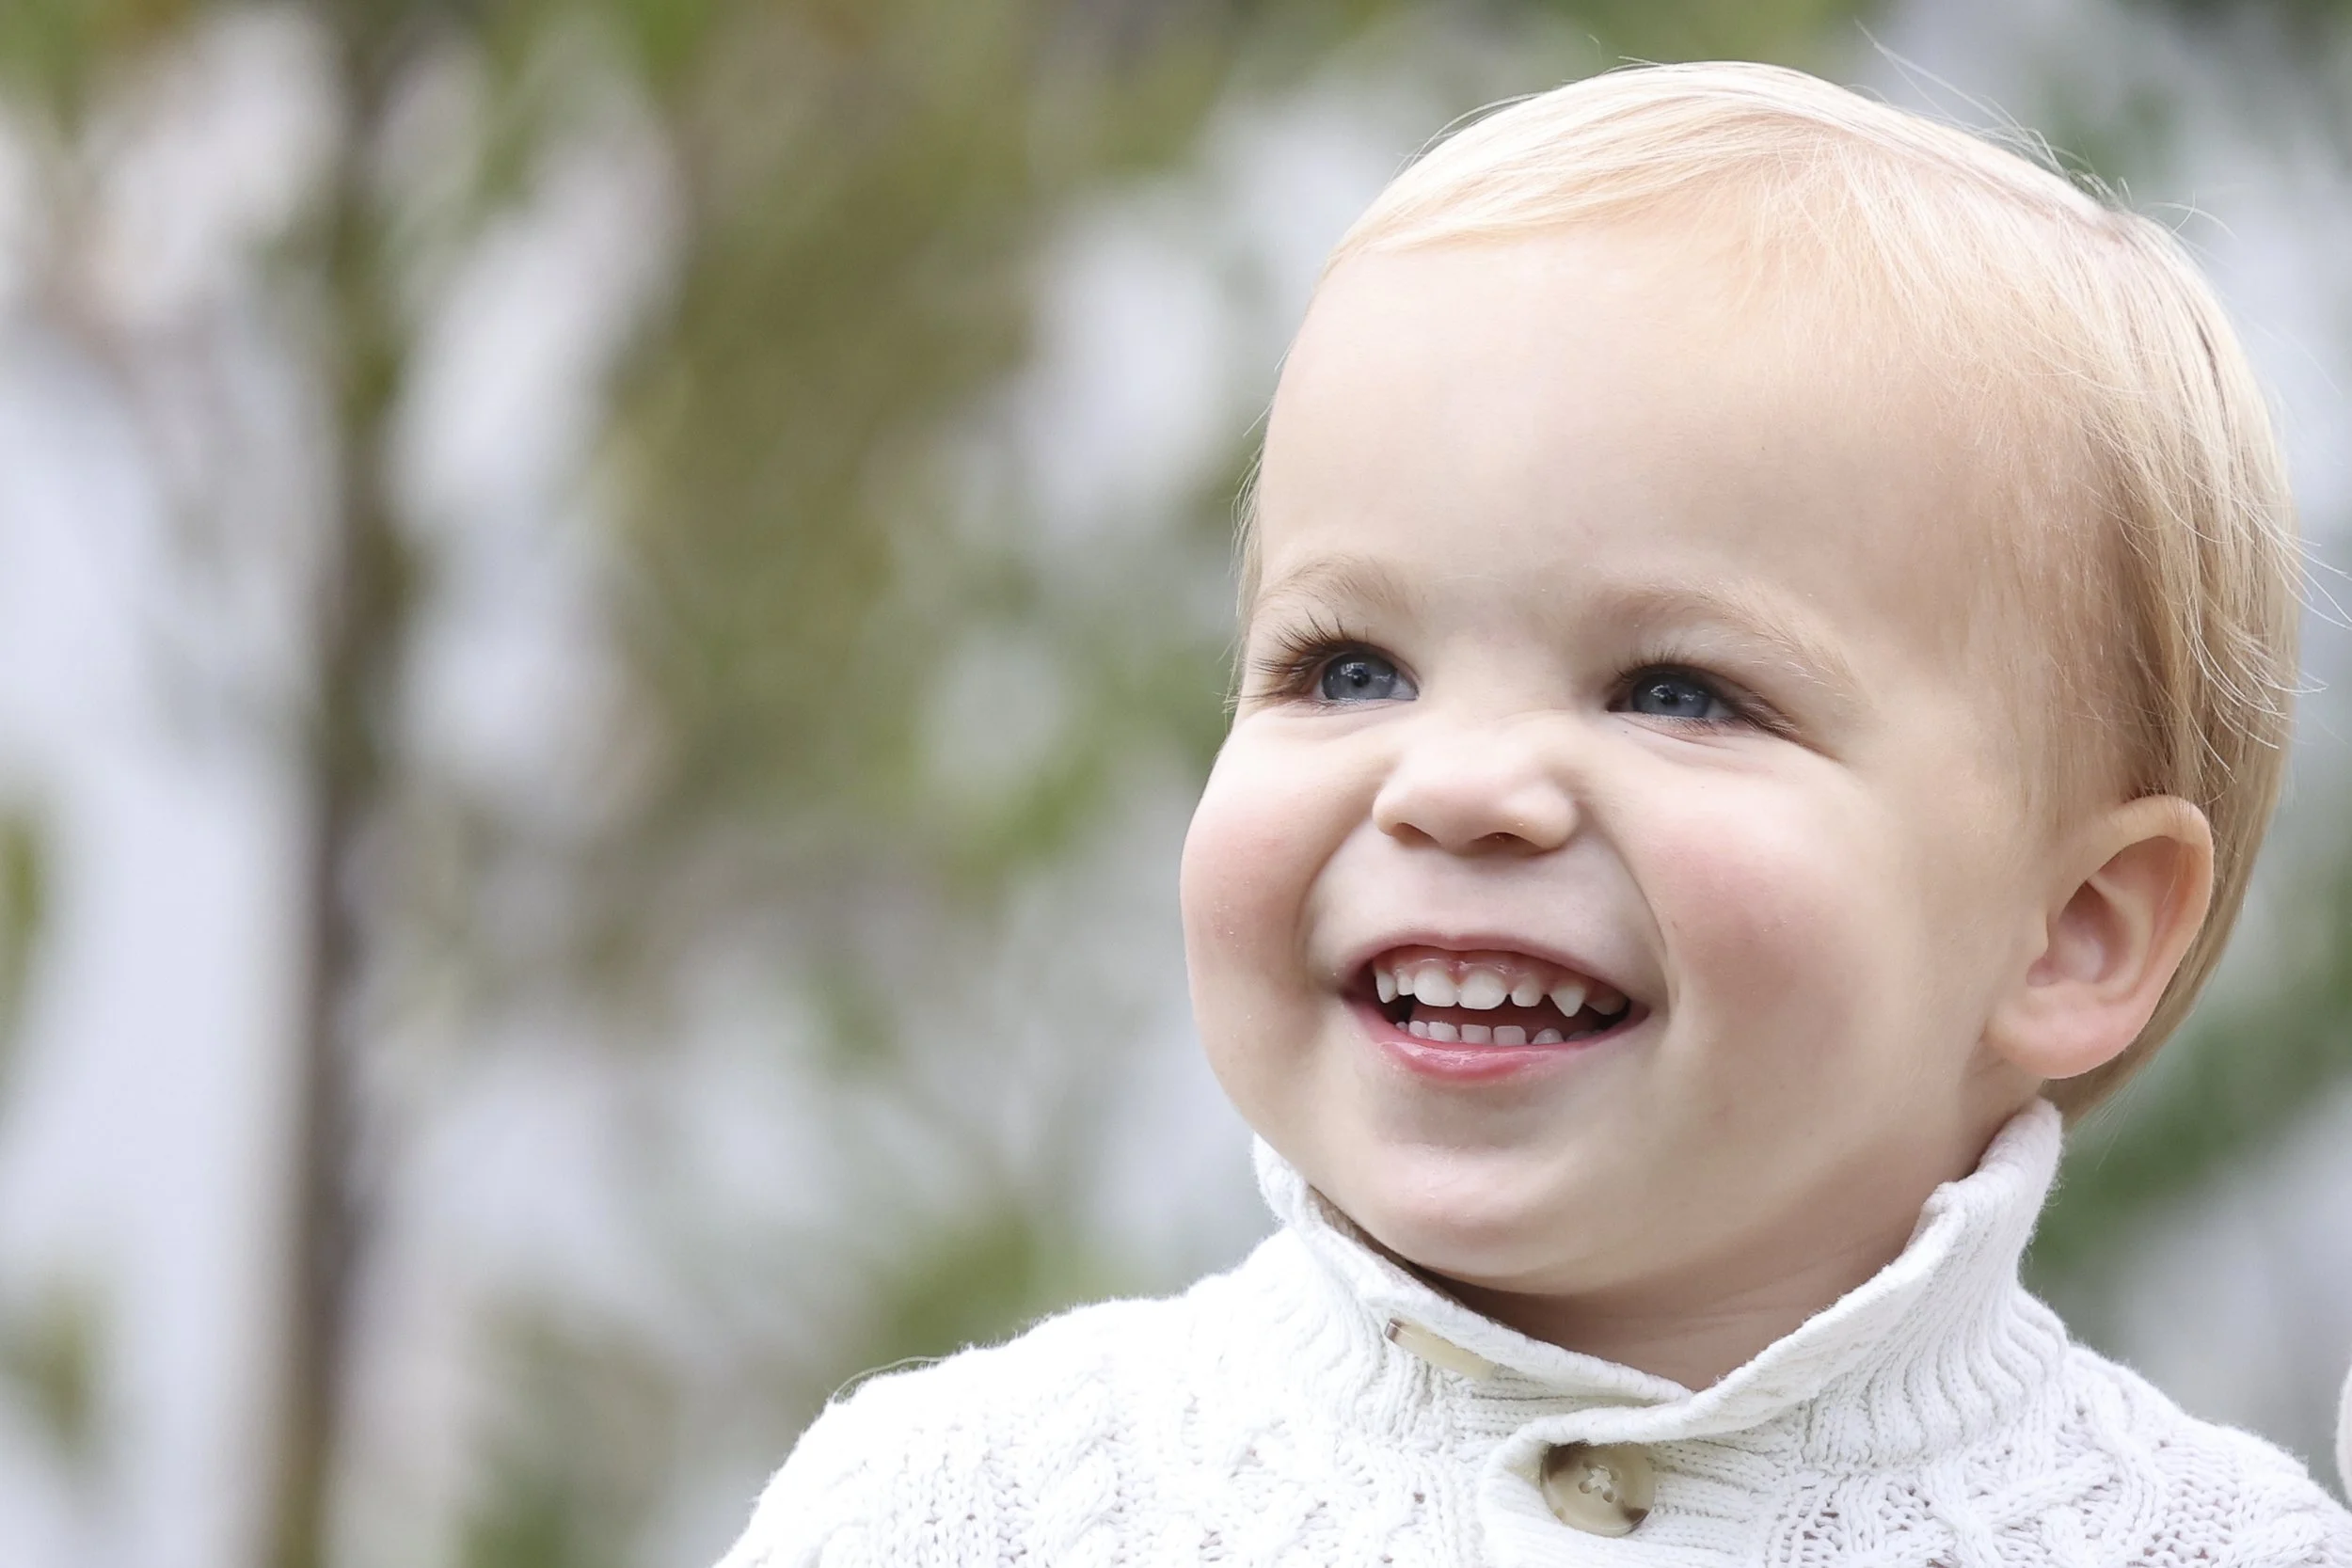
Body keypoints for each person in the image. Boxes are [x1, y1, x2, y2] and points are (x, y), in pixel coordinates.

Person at [718, 61, 2352, 1563]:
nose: (1455, 783)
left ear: (2072, 930)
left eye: (1678, 691)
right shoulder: (963, 1507)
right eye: (1349, 667)